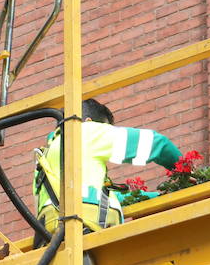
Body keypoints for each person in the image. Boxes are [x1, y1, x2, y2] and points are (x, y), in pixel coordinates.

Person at [32, 99, 183, 236]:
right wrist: (187, 172)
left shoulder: (45, 157)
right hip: (87, 229)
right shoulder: (86, 131)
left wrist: (156, 198)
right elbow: (157, 144)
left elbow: (98, 197)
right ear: (89, 121)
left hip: (50, 240)